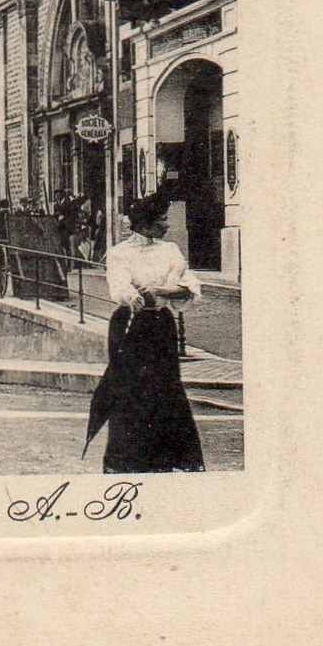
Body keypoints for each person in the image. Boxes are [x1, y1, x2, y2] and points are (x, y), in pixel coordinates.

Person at [85, 192, 205, 474]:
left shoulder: (170, 251)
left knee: (165, 387)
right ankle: (124, 459)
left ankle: (165, 458)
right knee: (128, 387)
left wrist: (159, 291)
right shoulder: (119, 253)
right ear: (146, 223)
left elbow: (189, 285)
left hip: (160, 325)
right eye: (162, 218)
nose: (166, 224)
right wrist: (132, 295)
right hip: (130, 326)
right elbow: (120, 286)